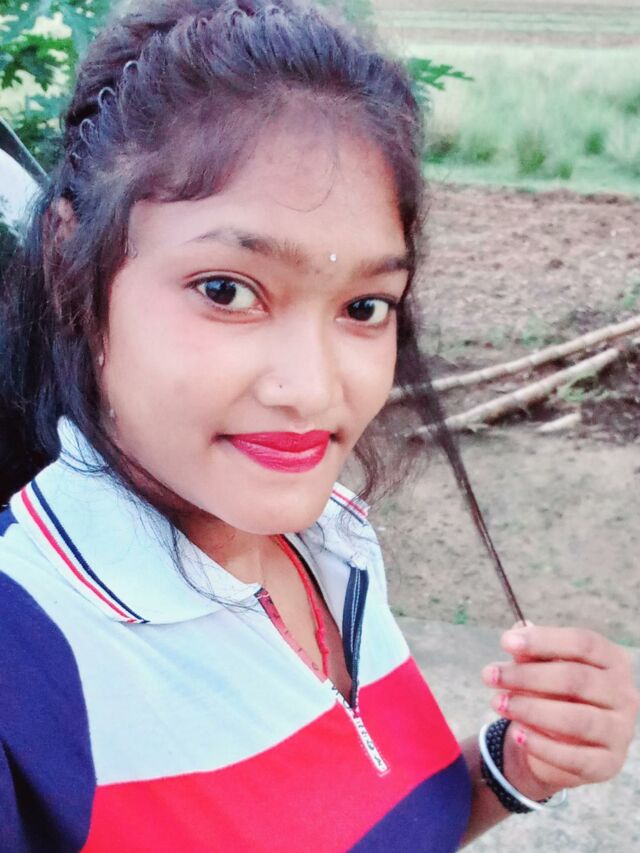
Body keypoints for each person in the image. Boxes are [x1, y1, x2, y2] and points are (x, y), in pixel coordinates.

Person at [0, 1, 637, 850]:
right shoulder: (23, 664)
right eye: (227, 290)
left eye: (364, 306)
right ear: (69, 265)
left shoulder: (331, 537)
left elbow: (378, 820)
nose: (312, 390)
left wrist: (516, 765)